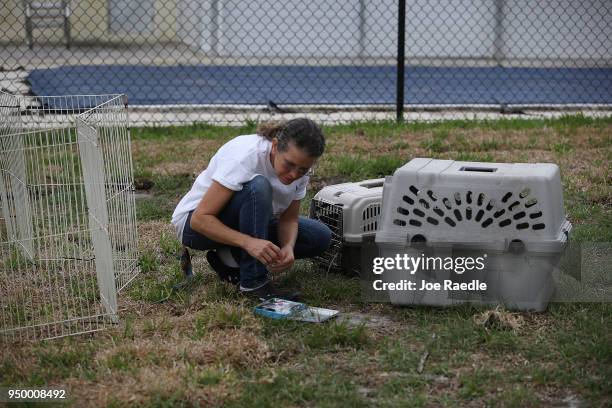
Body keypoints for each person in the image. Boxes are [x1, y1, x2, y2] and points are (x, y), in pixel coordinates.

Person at [171, 118, 332, 300]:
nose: (294, 174)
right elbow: (199, 219)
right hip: (195, 227)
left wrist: (288, 247)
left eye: (303, 170)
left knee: (319, 237)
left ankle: (230, 257)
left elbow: (289, 219)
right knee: (258, 186)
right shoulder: (246, 156)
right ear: (274, 146)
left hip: (249, 220)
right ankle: (254, 283)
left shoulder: (299, 168)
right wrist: (249, 242)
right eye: (289, 164)